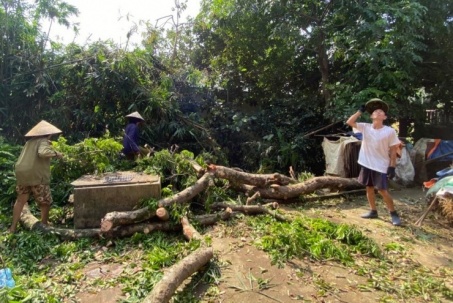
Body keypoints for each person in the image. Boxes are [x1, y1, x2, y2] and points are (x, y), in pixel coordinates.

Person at [346, 98, 402, 226]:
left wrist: (392, 167)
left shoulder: (389, 131)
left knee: (382, 190)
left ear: (384, 117)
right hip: (367, 163)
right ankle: (373, 211)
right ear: (371, 116)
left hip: (381, 165)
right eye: (375, 111)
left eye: (381, 111)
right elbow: (350, 122)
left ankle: (393, 213)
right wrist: (360, 111)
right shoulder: (365, 127)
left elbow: (393, 150)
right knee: (369, 188)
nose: (378, 112)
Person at [8, 120, 64, 233]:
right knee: (45, 201)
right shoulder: (43, 141)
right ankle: (44, 224)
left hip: (22, 173)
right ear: (49, 134)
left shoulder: (30, 142)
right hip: (36, 175)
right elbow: (43, 153)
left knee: (20, 200)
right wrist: (57, 154)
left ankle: (12, 228)